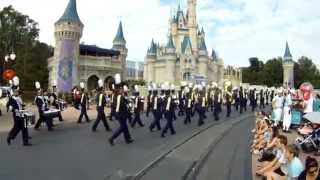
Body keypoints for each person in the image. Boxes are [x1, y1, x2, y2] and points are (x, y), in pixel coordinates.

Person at [109, 74, 133, 146]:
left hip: (121, 114)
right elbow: (121, 106)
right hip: (121, 114)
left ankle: (128, 138)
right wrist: (128, 105)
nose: (123, 89)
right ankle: (112, 138)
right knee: (122, 128)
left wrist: (127, 102)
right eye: (122, 88)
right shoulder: (119, 96)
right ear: (119, 89)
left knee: (125, 127)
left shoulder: (118, 96)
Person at [6, 80, 32, 146]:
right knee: (17, 128)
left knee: (24, 127)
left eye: (17, 91)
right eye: (16, 91)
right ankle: (10, 137)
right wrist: (11, 108)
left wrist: (24, 105)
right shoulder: (12, 99)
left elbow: (21, 105)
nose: (17, 92)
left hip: (22, 114)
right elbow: (8, 106)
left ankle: (25, 142)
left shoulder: (19, 97)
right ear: (13, 92)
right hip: (17, 115)